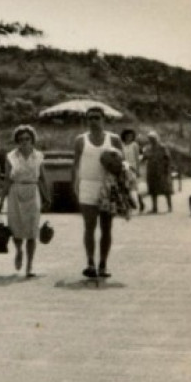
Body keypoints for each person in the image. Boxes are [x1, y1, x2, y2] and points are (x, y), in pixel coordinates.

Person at [74, 106, 126, 280]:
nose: (93, 121)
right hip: (87, 186)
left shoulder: (114, 139)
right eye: (90, 118)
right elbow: (75, 165)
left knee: (106, 227)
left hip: (107, 187)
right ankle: (90, 263)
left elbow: (123, 165)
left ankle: (103, 264)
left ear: (104, 119)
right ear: (86, 120)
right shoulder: (81, 140)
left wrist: (120, 183)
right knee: (89, 226)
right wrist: (75, 184)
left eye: (97, 117)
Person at [4, 125, 48, 278]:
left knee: (32, 230)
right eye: (21, 139)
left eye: (27, 139)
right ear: (17, 141)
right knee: (15, 228)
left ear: (32, 140)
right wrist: (0, 199)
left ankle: (29, 266)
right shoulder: (11, 156)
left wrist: (47, 196)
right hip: (15, 192)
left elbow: (42, 178)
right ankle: (19, 251)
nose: (24, 142)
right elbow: (6, 179)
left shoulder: (38, 156)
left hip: (32, 191)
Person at [141, 132, 173, 213]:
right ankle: (154, 208)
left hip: (161, 171)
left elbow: (167, 158)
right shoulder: (147, 148)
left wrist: (167, 169)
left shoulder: (162, 147)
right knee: (153, 190)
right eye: (150, 139)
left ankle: (170, 207)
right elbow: (144, 158)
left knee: (166, 189)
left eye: (154, 138)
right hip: (151, 171)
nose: (152, 140)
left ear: (157, 138)